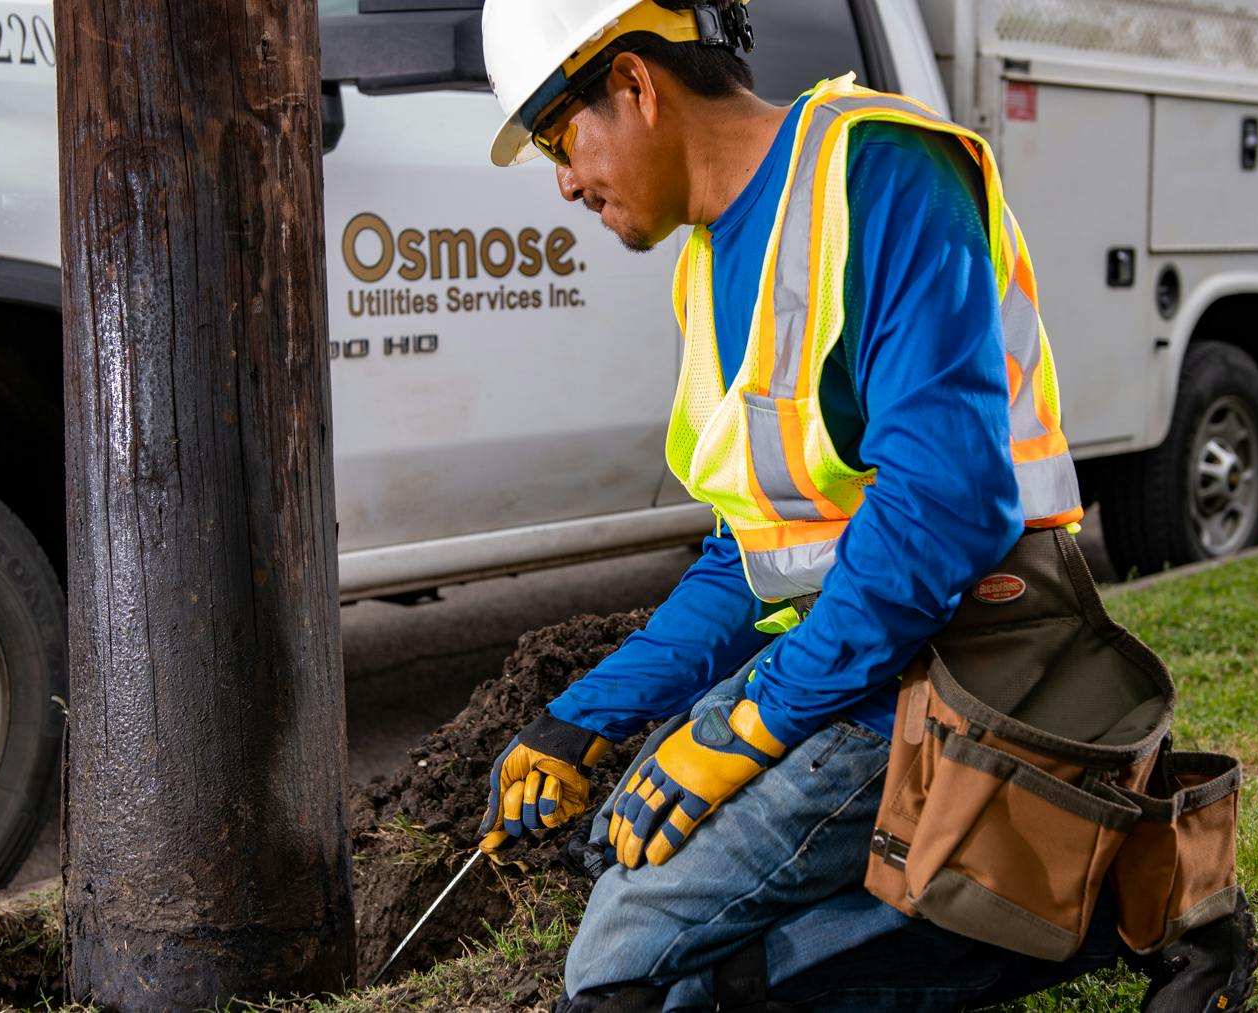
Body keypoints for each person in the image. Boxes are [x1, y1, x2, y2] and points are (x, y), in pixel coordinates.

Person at [470, 1, 1152, 1008]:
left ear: (634, 85)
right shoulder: (708, 264)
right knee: (639, 840)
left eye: (561, 139)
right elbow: (751, 553)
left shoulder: (880, 173)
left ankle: (1104, 900)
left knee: (625, 948)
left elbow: (946, 504)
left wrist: (751, 722)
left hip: (974, 653)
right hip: (859, 652)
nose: (566, 182)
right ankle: (992, 918)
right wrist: (579, 720)